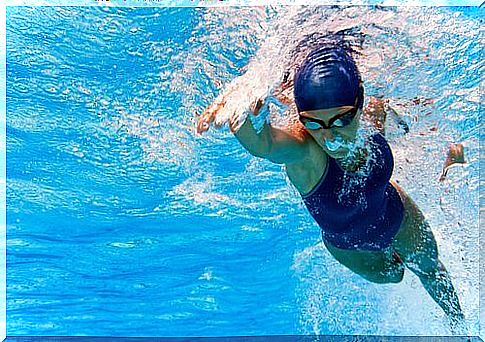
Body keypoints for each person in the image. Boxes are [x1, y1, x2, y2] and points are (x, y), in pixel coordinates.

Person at [196, 41, 465, 331]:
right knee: (394, 273)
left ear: (359, 104)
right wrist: (242, 109)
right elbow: (266, 144)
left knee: (430, 268)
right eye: (314, 123)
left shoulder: (372, 113)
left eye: (342, 120)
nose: (330, 136)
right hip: (350, 246)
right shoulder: (306, 154)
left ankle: (462, 331)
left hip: (395, 214)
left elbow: (408, 114)